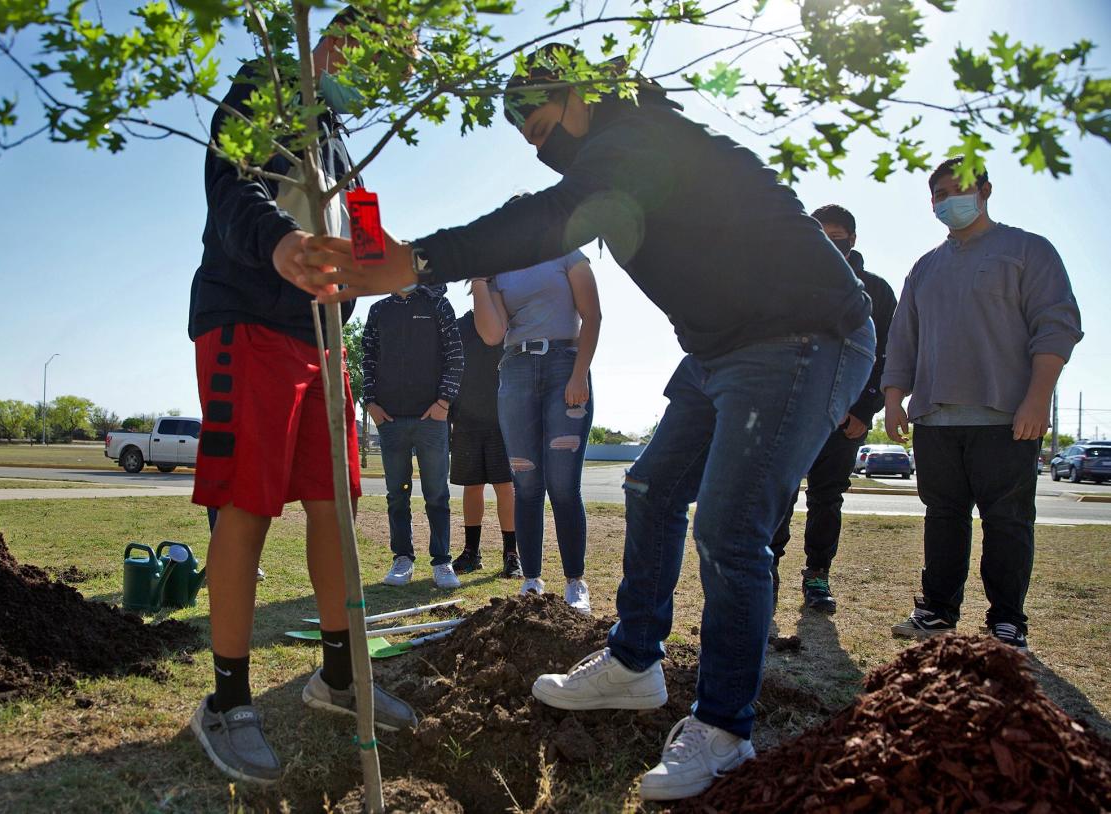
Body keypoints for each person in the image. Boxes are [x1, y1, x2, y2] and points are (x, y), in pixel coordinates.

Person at [298, 43, 874, 802]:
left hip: (805, 336)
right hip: (720, 350)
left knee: (731, 529)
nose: (543, 151)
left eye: (543, 128)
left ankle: (726, 732)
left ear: (580, 95)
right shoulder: (609, 158)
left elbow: (546, 221)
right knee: (651, 491)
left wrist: (417, 259)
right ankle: (636, 663)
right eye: (529, 144)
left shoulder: (641, 143)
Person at [186, 7, 417, 786]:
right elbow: (229, 185)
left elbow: (368, 244)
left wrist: (388, 266)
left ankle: (340, 677)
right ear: (332, 42)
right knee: (247, 504)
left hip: (322, 340)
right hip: (248, 321)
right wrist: (281, 245)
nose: (390, 80)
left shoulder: (347, 148)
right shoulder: (269, 88)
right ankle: (226, 700)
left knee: (335, 504)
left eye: (403, 73)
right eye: (381, 60)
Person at [884, 156, 1082, 652]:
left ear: (985, 190)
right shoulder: (924, 268)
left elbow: (1056, 326)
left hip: (1007, 417)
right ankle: (936, 613)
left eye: (958, 189)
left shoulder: (1027, 251)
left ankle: (1007, 622)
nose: (948, 200)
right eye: (938, 194)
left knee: (1008, 521)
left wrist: (1037, 400)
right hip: (934, 418)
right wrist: (893, 399)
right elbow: (902, 339)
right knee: (943, 517)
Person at [467, 201, 601, 612]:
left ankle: (575, 581)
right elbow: (492, 334)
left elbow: (592, 314)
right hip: (517, 369)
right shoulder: (500, 271)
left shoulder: (566, 252)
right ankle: (531, 580)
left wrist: (579, 374)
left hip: (565, 366)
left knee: (562, 485)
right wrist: (479, 279)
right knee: (526, 484)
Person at [770, 204, 897, 614]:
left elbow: (887, 355)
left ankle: (817, 575)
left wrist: (864, 409)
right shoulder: (789, 284)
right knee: (780, 493)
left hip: (845, 422)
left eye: (837, 236)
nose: (828, 243)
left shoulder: (875, 291)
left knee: (827, 499)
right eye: (819, 234)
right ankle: (766, 567)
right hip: (792, 412)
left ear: (853, 240)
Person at [361, 283, 464, 589]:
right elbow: (367, 358)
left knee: (437, 495)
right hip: (389, 419)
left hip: (431, 418)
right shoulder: (378, 310)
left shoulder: (438, 306)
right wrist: (371, 403)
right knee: (397, 495)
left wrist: (443, 402)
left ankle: (442, 561)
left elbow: (456, 356)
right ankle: (402, 558)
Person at [448, 306, 521, 578]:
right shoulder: (459, 326)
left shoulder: (510, 323)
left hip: (504, 420)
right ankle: (471, 553)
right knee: (472, 486)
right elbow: (449, 368)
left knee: (506, 487)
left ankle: (511, 555)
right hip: (466, 420)